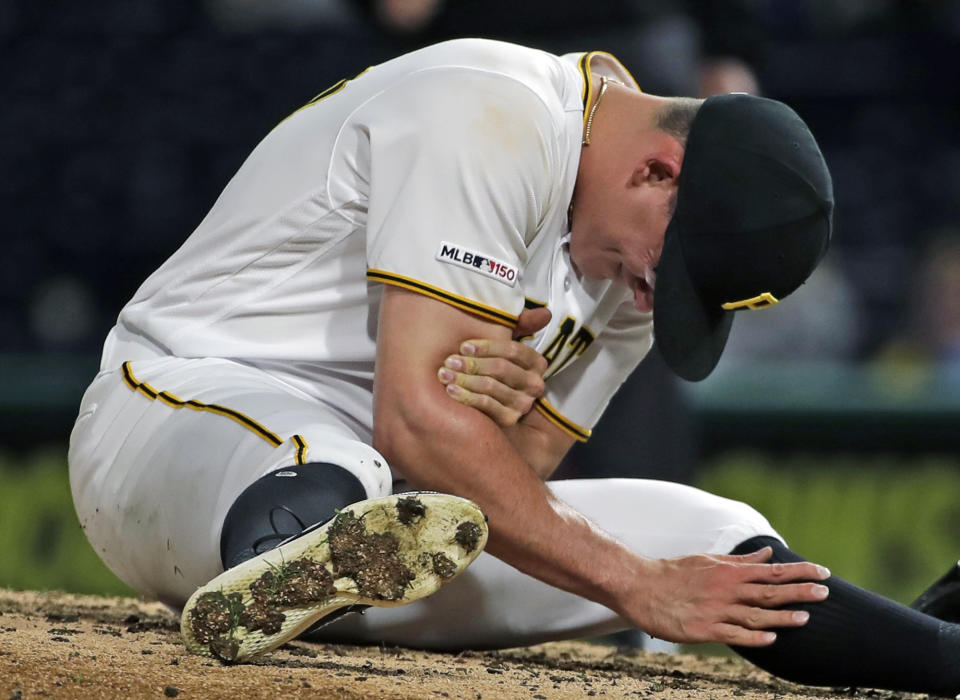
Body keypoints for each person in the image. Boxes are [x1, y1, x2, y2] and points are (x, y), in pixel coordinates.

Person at [68, 38, 960, 694]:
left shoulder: (627, 262)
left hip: (401, 522)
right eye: (671, 271)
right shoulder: (494, 107)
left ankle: (940, 652)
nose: (656, 299)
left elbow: (501, 491)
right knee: (337, 469)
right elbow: (415, 424)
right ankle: (301, 555)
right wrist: (635, 584)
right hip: (178, 417)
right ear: (657, 169)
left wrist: (486, 426)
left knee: (717, 533)